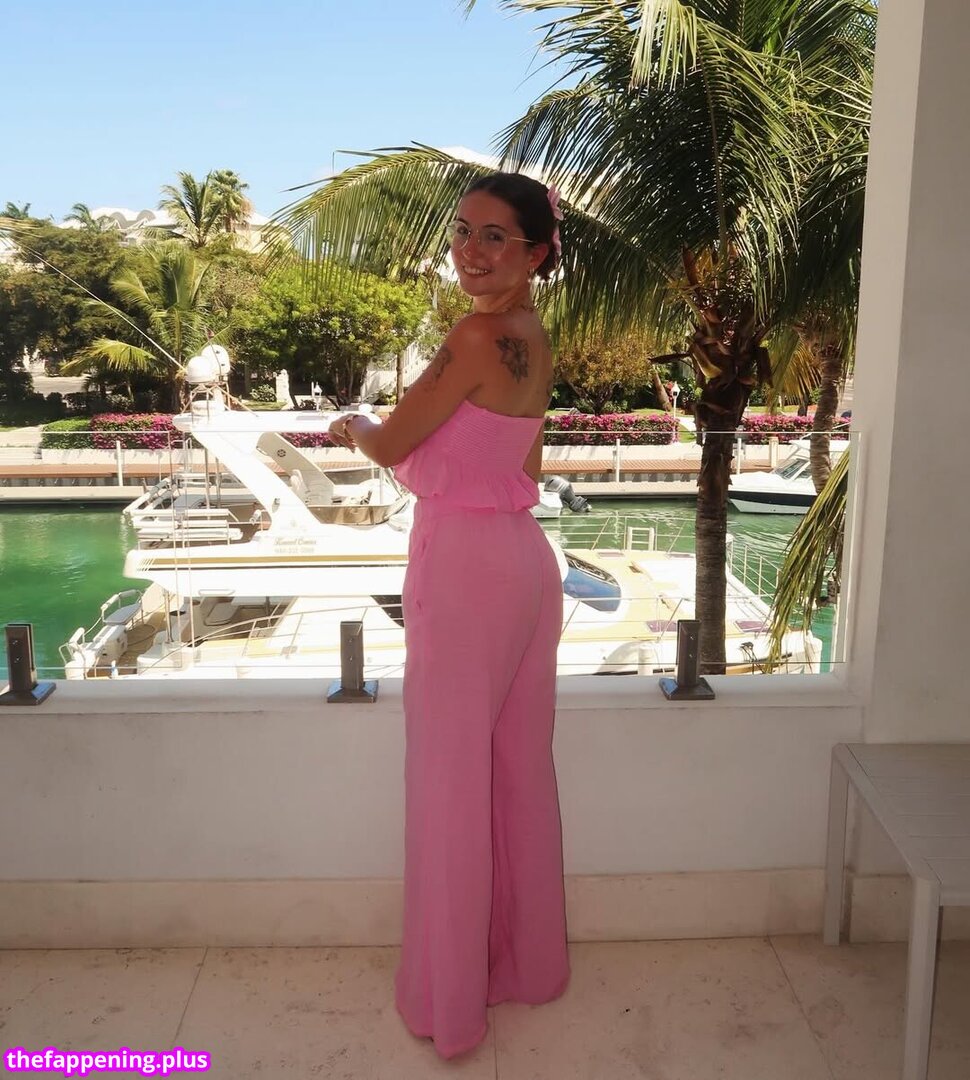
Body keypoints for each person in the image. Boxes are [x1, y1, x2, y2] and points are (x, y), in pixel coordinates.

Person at [328, 172, 569, 1058]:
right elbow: (527, 467)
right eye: (464, 230)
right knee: (514, 770)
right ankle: (524, 967)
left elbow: (392, 443)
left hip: (465, 569)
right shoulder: (533, 336)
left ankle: (452, 1001)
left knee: (450, 782)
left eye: (495, 235)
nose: (472, 249)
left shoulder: (474, 335)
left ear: (536, 252)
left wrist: (354, 422)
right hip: (524, 567)